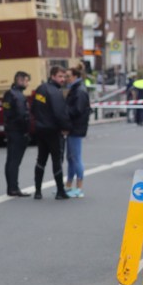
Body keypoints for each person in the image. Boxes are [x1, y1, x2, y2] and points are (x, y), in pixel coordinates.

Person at [31, 66, 71, 200]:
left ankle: (37, 191)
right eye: (60, 76)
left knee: (41, 160)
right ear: (53, 76)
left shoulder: (40, 89)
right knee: (56, 160)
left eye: (64, 77)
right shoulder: (55, 92)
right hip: (53, 131)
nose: (63, 79)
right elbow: (60, 113)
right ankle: (60, 191)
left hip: (41, 129)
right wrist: (66, 127)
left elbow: (33, 108)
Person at [64, 66, 92, 198]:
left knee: (75, 157)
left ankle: (79, 187)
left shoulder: (79, 91)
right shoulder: (76, 89)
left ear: (75, 76)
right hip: (73, 128)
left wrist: (63, 113)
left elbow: (77, 110)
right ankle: (68, 186)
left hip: (76, 128)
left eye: (68, 76)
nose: (66, 78)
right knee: (70, 158)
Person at [2, 70, 31, 197]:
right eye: (26, 81)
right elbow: (22, 115)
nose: (28, 84)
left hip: (11, 130)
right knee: (14, 161)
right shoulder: (18, 95)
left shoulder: (8, 94)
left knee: (11, 160)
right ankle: (13, 188)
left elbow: (7, 112)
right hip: (18, 132)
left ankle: (11, 187)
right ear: (20, 80)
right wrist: (26, 130)